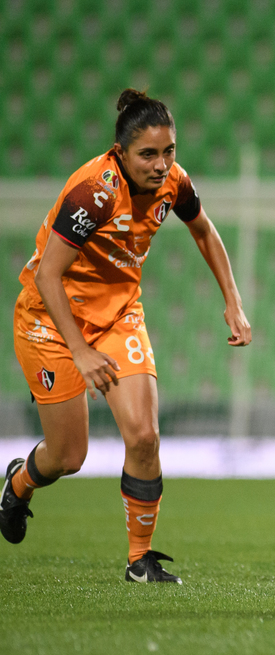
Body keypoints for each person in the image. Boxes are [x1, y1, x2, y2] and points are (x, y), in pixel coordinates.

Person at [1, 89, 252, 582]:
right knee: (68, 456)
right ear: (121, 151)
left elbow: (204, 230)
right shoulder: (94, 192)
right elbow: (48, 275)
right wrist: (79, 351)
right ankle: (19, 481)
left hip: (118, 316)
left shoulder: (174, 183)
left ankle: (139, 560)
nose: (161, 165)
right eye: (148, 154)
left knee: (144, 437)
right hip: (49, 322)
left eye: (169, 151)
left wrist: (233, 300)